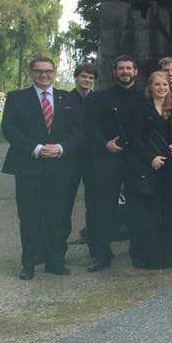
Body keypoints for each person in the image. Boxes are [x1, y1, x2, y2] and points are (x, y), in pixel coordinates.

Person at [1, 57, 82, 279]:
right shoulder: (16, 98)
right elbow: (9, 128)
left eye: (48, 71)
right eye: (38, 71)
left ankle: (55, 261)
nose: (43, 75)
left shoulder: (68, 98)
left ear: (55, 73)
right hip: (29, 167)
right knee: (29, 216)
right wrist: (35, 148)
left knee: (58, 216)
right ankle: (29, 263)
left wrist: (61, 147)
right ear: (30, 73)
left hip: (61, 166)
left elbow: (78, 130)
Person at [86, 54, 142, 272]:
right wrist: (104, 144)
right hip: (108, 159)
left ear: (135, 72)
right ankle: (101, 255)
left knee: (138, 208)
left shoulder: (143, 97)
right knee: (104, 208)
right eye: (121, 68)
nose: (125, 72)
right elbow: (89, 127)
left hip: (135, 160)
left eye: (129, 68)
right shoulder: (100, 98)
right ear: (114, 72)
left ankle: (138, 253)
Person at [127, 70, 172, 269]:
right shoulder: (141, 109)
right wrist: (151, 158)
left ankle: (166, 256)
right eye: (157, 85)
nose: (161, 88)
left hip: (168, 168)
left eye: (164, 85)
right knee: (147, 214)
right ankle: (148, 257)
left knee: (166, 213)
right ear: (150, 87)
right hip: (148, 168)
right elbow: (135, 139)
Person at [67, 62, 97, 246]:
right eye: (84, 76)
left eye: (91, 78)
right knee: (64, 203)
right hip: (70, 158)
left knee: (93, 203)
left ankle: (94, 243)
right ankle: (57, 250)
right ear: (76, 77)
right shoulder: (65, 99)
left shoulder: (98, 100)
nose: (87, 80)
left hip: (93, 159)